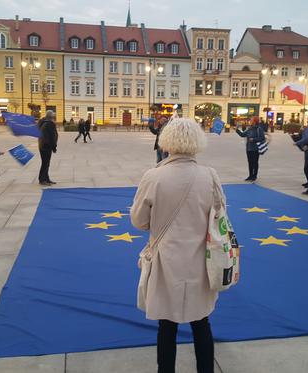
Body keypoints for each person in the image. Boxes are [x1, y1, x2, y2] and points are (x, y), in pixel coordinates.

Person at [131, 118, 219, 373]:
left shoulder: (154, 176)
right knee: (201, 323)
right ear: (196, 142)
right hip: (200, 260)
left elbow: (139, 221)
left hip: (166, 259)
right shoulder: (209, 175)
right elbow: (220, 217)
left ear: (166, 140)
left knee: (166, 325)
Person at [235, 117, 268, 182]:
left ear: (255, 121)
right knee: (250, 162)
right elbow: (242, 135)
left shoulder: (259, 129)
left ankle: (254, 176)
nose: (250, 121)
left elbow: (262, 138)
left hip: (255, 148)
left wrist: (253, 139)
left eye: (251, 120)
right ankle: (250, 175)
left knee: (255, 162)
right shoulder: (249, 129)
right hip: (249, 148)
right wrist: (237, 130)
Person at [38, 110, 58, 186]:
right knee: (45, 163)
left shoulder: (43, 122)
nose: (54, 115)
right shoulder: (49, 124)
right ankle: (42, 180)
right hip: (46, 146)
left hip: (42, 145)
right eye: (53, 114)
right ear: (50, 116)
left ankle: (46, 178)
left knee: (45, 163)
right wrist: (54, 147)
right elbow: (51, 137)